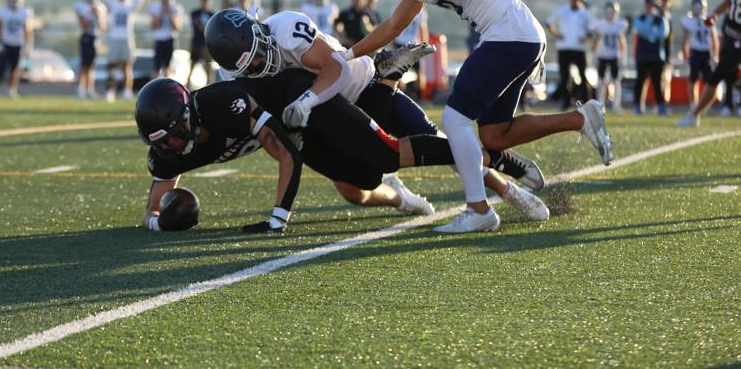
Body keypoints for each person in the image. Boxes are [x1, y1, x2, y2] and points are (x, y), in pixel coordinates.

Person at [349, 0, 611, 233]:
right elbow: (394, 25)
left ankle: (478, 209)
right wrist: (348, 54)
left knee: (455, 118)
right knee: (495, 135)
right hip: (512, 35)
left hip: (509, 31)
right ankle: (580, 118)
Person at [204, 8, 547, 211]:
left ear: (260, 32)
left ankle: (509, 189)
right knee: (354, 191)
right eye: (249, 67)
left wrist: (306, 101)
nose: (260, 66)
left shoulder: (286, 29)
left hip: (363, 88)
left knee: (438, 145)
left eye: (258, 55)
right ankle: (401, 199)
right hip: (328, 117)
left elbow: (336, 68)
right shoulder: (232, 77)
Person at [137, 70, 549, 232]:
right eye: (162, 141)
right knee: (358, 186)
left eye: (172, 136)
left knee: (386, 154)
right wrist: (161, 222)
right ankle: (400, 197)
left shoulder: (225, 104)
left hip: (305, 102)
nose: (171, 146)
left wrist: (277, 218)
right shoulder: (168, 152)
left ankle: (500, 161)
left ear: (189, 117)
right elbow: (151, 212)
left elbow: (286, 155)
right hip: (296, 133)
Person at [679, 0, 741, 126]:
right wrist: (715, 14)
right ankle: (700, 112)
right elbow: (730, 0)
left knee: (716, 76)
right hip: (730, 34)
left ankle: (694, 115)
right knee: (723, 75)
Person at [547, 0, 593, 110]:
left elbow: (592, 30)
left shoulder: (585, 13)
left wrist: (585, 37)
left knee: (583, 75)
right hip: (564, 48)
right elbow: (549, 23)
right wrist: (556, 34)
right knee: (564, 77)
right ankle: (566, 102)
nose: (576, 0)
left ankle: (587, 102)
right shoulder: (562, 11)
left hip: (579, 49)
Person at [103, 0, 144, 101]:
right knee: (112, 66)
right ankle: (110, 90)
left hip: (127, 38)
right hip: (114, 37)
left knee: (127, 66)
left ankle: (127, 91)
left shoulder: (130, 6)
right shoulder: (113, 5)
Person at [633, 0, 669, 116]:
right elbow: (641, 30)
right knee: (640, 81)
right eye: (649, 4)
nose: (650, 7)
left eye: (653, 5)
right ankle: (637, 106)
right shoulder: (641, 18)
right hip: (642, 55)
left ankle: (661, 106)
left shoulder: (661, 19)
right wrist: (650, 27)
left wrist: (650, 32)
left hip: (656, 55)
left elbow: (663, 34)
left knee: (657, 82)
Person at [0, 0, 32, 99]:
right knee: (0, 69)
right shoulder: (3, 11)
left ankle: (12, 90)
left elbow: (27, 30)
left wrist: (27, 45)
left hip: (18, 44)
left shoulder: (24, 12)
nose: (14, 2)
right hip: (5, 43)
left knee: (15, 69)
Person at [680, 0, 717, 109]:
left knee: (710, 80)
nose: (698, 9)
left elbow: (714, 38)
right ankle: (693, 103)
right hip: (695, 51)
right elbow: (685, 39)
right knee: (693, 78)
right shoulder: (688, 20)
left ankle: (705, 103)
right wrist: (685, 53)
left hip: (707, 52)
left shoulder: (709, 20)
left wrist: (715, 54)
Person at [591, 1, 628, 113]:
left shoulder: (620, 24)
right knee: (601, 81)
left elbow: (622, 41)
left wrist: (623, 55)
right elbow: (596, 39)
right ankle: (600, 105)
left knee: (616, 81)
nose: (610, 14)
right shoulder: (599, 24)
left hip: (615, 56)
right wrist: (595, 55)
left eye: (612, 12)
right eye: (608, 12)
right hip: (602, 55)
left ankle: (616, 105)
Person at [74, 0, 108, 99]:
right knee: (84, 65)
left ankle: (90, 89)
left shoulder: (101, 7)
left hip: (96, 38)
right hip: (86, 36)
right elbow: (84, 26)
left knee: (92, 66)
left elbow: (103, 27)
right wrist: (91, 15)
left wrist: (98, 16)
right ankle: (80, 89)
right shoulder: (81, 6)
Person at [394, 2, 430, 101]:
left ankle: (399, 95)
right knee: (419, 72)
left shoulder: (400, 8)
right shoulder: (421, 12)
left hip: (400, 42)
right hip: (414, 44)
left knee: (398, 72)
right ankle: (420, 97)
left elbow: (394, 26)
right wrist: (424, 45)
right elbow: (423, 29)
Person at [149, 0, 184, 79]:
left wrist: (170, 14)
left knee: (168, 68)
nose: (165, 1)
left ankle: (167, 84)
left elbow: (177, 27)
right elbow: (153, 27)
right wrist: (160, 14)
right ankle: (156, 85)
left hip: (170, 39)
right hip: (159, 40)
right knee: (156, 68)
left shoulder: (176, 9)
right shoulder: (155, 8)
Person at [188, 0, 215, 86]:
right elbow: (200, 27)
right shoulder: (195, 13)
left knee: (208, 66)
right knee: (192, 65)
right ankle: (188, 85)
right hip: (197, 43)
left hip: (207, 44)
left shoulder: (212, 14)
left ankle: (209, 85)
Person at [659, 0, 675, 103]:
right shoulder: (657, 16)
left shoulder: (669, 16)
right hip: (657, 50)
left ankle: (665, 101)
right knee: (659, 77)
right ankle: (659, 102)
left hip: (667, 50)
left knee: (667, 77)